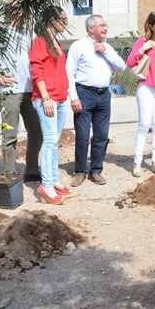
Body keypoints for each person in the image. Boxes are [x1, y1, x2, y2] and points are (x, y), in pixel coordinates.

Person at [66, 14, 126, 187]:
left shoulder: (107, 47)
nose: (106, 28)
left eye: (106, 25)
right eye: (102, 25)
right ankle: (80, 171)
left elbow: (121, 66)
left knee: (101, 135)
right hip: (84, 94)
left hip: (104, 95)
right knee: (83, 136)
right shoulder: (79, 46)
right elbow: (69, 72)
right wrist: (73, 97)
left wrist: (105, 51)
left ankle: (96, 171)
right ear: (91, 28)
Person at [29, 6, 71, 205]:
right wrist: (45, 98)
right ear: (51, 20)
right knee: (50, 141)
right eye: (62, 19)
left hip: (60, 99)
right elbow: (37, 71)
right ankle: (45, 185)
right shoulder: (39, 41)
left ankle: (54, 180)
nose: (66, 22)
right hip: (48, 99)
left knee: (55, 142)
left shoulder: (57, 42)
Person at [0, 25, 42, 182]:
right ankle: (10, 173)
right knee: (10, 134)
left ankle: (32, 170)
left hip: (29, 90)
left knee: (37, 132)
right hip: (9, 90)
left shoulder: (30, 32)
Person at [126, 11, 155, 178]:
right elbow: (130, 62)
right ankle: (137, 163)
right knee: (144, 125)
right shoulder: (142, 41)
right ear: (151, 26)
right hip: (145, 87)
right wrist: (142, 49)